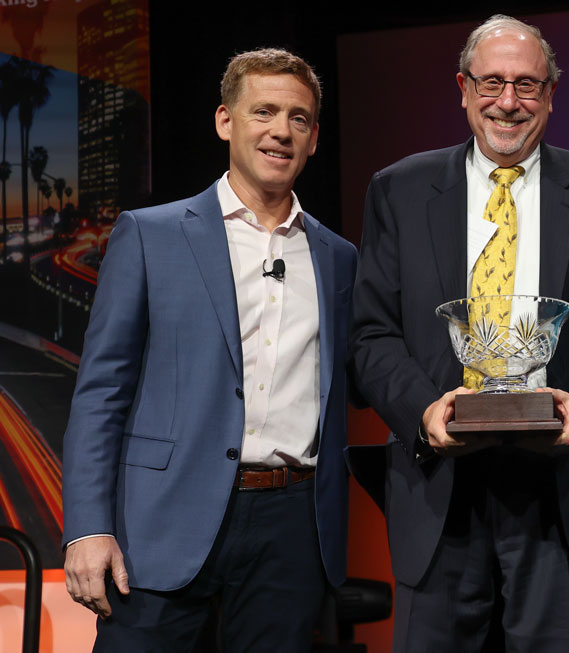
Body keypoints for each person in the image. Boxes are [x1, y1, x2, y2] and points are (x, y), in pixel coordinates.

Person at [350, 14, 569, 652]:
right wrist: (422, 412)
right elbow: (372, 334)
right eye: (490, 84)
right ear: (462, 88)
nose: (507, 103)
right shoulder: (399, 191)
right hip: (440, 489)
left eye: (526, 86)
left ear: (550, 95)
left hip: (562, 493)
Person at [61, 48, 357, 651]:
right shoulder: (150, 234)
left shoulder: (338, 258)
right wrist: (87, 527)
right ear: (226, 121)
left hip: (291, 526)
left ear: (315, 137)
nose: (281, 131)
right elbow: (101, 394)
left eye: (298, 119)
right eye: (264, 112)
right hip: (161, 523)